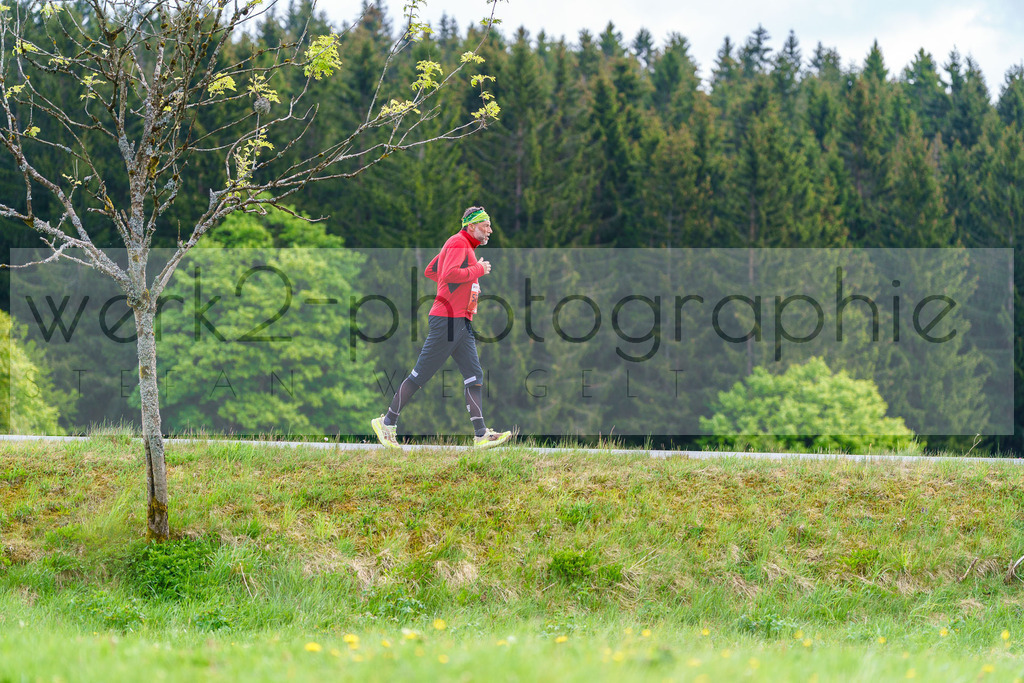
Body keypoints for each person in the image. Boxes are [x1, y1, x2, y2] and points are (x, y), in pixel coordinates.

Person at [371, 206, 513, 450]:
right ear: (471, 226)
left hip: (460, 320)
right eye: (485, 225)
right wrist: (477, 270)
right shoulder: (458, 243)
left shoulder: (461, 245)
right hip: (447, 319)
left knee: (474, 376)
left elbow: (431, 270)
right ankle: (387, 423)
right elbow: (447, 274)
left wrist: (457, 287)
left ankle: (480, 434)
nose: (490, 230)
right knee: (420, 375)